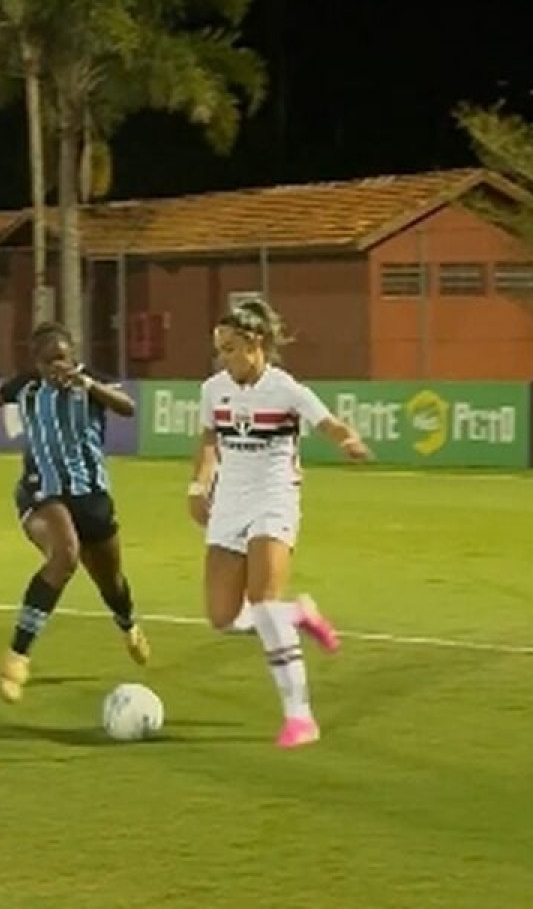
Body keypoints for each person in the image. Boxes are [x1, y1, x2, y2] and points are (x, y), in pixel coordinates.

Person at [187, 299, 369, 749]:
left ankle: (300, 716)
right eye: (219, 350)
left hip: (274, 498)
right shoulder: (213, 389)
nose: (223, 358)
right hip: (229, 503)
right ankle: (299, 614)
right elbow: (210, 438)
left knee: (263, 602)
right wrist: (198, 487)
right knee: (223, 618)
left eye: (230, 349)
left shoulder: (285, 388)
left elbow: (325, 422)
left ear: (255, 344)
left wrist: (348, 440)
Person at [0, 322, 147, 703]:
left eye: (62, 360)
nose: (56, 368)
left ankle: (128, 624)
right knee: (64, 556)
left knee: (111, 582)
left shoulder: (91, 384)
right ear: (37, 364)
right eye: (48, 362)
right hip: (42, 492)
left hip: (93, 496)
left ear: (73, 358)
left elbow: (128, 408)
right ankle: (17, 656)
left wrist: (90, 386)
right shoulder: (28, 387)